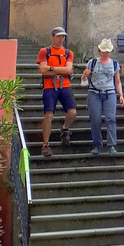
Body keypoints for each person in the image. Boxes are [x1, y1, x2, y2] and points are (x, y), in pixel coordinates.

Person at [37, 26, 76, 156]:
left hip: (64, 84)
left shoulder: (68, 53)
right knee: (49, 114)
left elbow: (69, 70)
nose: (61, 39)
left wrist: (51, 68)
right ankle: (46, 144)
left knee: (72, 112)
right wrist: (61, 69)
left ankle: (65, 128)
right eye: (58, 36)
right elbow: (42, 70)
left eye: (63, 36)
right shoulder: (44, 51)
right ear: (52, 36)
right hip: (49, 85)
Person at [81, 39, 124, 156]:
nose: (106, 53)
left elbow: (117, 81)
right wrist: (85, 75)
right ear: (99, 50)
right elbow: (84, 80)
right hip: (94, 92)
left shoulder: (115, 64)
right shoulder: (92, 63)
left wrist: (121, 94)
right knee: (95, 119)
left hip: (110, 93)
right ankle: (97, 144)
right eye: (104, 51)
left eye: (108, 51)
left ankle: (111, 145)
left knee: (111, 118)